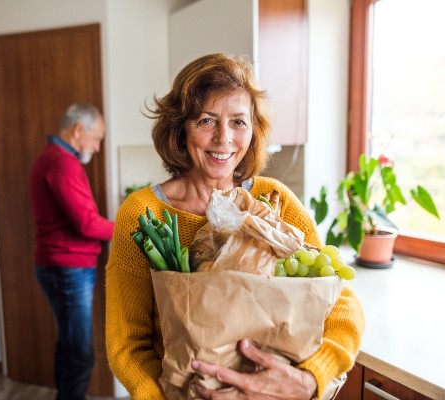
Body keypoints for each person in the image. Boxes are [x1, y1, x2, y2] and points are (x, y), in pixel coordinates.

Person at [105, 54, 364, 400]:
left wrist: (310, 378)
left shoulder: (275, 201)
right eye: (207, 120)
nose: (223, 138)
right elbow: (127, 344)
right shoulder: (142, 213)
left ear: (253, 130)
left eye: (238, 122)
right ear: (181, 128)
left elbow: (343, 304)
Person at [29, 103, 114, 400]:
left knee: (69, 346)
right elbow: (88, 224)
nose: (98, 147)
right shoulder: (62, 162)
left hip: (62, 266)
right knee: (80, 353)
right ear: (79, 130)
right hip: (68, 269)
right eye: (97, 138)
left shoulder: (55, 159)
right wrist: (129, 228)